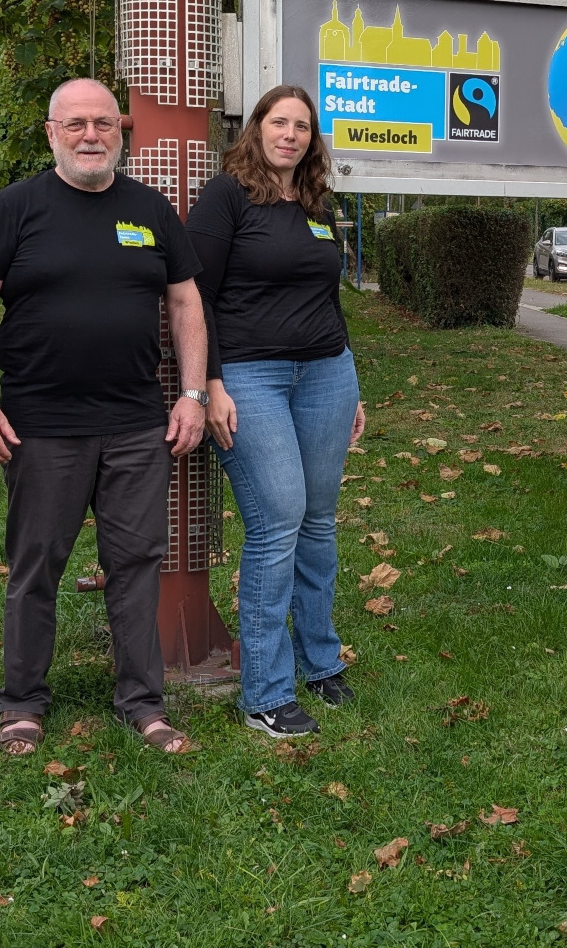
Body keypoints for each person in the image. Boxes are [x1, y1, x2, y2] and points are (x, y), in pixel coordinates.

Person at [0, 79, 207, 756]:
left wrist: (192, 394)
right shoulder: (16, 209)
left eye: (103, 122)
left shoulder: (151, 210)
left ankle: (143, 704)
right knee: (36, 565)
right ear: (51, 133)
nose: (90, 134)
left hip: (134, 423)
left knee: (135, 564)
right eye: (75, 125)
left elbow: (185, 303)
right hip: (40, 424)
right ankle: (23, 705)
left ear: (120, 130)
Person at [186, 85, 364, 739]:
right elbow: (193, 297)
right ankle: (265, 694)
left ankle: (321, 662)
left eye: (301, 126)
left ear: (312, 139)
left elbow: (329, 296)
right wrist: (210, 384)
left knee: (318, 524)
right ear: (256, 128)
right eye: (278, 121)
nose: (289, 134)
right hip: (249, 378)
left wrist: (352, 385)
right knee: (278, 521)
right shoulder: (227, 194)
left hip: (327, 374)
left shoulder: (318, 203)